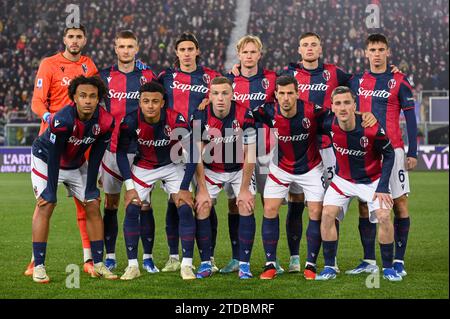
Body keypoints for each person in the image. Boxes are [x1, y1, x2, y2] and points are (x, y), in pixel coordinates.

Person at [30, 75, 117, 283]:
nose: (87, 100)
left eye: (92, 96)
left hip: (76, 163)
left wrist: (91, 188)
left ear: (99, 99)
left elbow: (96, 155)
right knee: (46, 204)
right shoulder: (63, 119)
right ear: (74, 98)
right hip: (46, 159)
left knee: (93, 204)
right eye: (83, 96)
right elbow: (54, 154)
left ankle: (98, 263)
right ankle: (39, 266)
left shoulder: (106, 121)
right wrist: (50, 190)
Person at [27, 25, 98, 277]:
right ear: (64, 39)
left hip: (80, 144)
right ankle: (36, 260)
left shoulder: (89, 66)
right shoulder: (49, 64)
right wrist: (48, 115)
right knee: (46, 201)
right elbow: (37, 99)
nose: (75, 40)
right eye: (71, 36)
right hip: (53, 140)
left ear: (85, 39)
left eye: (79, 36)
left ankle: (89, 260)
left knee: (87, 203)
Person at [346, 34, 417, 277]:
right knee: (365, 207)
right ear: (366, 53)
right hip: (366, 150)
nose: (376, 53)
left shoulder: (399, 80)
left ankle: (398, 260)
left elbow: (411, 116)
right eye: (372, 49)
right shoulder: (358, 81)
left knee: (399, 203)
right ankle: (368, 260)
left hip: (394, 150)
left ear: (388, 52)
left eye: (381, 49)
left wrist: (413, 151)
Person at [316, 86, 402, 282]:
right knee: (327, 214)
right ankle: (330, 266)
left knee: (384, 217)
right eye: (338, 103)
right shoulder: (328, 122)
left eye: (347, 102)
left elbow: (389, 155)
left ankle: (388, 268)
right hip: (343, 180)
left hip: (372, 181)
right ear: (332, 107)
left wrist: (382, 187)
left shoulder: (371, 128)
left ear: (355, 105)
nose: (343, 107)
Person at [116, 81, 196, 280]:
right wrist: (129, 186)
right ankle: (133, 265)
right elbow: (120, 153)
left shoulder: (175, 119)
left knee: (185, 206)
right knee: (132, 206)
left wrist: (185, 187)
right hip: (143, 166)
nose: (150, 105)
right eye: (145, 101)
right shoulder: (130, 121)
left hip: (172, 165)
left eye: (154, 101)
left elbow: (193, 152)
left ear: (162, 103)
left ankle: (187, 264)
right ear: (140, 103)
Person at [158, 32, 221, 273]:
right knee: (175, 200)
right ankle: (175, 256)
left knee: (207, 200)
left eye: (190, 49)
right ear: (176, 53)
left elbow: (227, 91)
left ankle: (209, 257)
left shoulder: (211, 77)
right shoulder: (166, 77)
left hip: (205, 141)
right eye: (182, 49)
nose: (186, 53)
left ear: (197, 51)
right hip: (174, 140)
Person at [222, 35, 283, 274]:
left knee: (270, 203)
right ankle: (237, 258)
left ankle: (272, 259)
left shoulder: (272, 79)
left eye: (253, 52)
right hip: (234, 149)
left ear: (259, 54)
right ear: (239, 54)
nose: (249, 56)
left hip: (267, 149)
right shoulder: (228, 81)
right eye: (245, 52)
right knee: (235, 203)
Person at [98, 30, 157, 272]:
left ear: (136, 48)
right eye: (121, 46)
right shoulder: (103, 77)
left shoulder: (147, 75)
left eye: (130, 46)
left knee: (144, 204)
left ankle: (148, 258)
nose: (125, 50)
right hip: (112, 150)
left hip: (142, 150)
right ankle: (110, 255)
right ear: (115, 48)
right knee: (111, 203)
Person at [188, 76, 257, 279]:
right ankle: (205, 263)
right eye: (215, 93)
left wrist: (244, 189)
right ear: (209, 95)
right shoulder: (200, 115)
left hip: (238, 169)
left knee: (245, 204)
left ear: (232, 95)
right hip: (210, 169)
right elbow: (197, 156)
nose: (220, 98)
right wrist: (201, 189)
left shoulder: (245, 114)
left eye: (225, 93)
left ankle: (244, 264)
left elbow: (250, 154)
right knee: (202, 206)